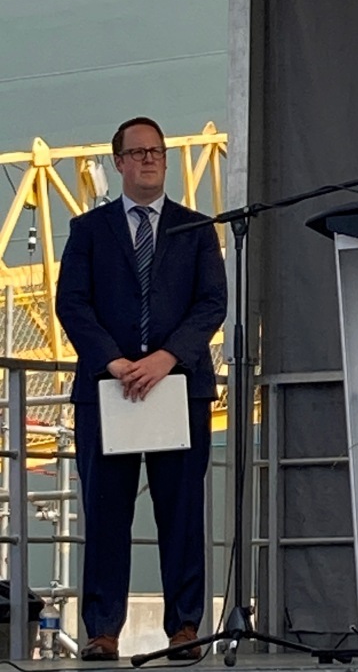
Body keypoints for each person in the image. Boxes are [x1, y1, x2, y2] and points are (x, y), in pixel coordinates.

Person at [56, 117, 227, 661]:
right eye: (139, 152)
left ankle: (185, 628)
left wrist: (165, 358)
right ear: (119, 162)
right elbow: (72, 303)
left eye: (157, 151)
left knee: (182, 514)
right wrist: (114, 361)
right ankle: (103, 631)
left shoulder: (196, 228)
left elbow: (212, 303)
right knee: (106, 513)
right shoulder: (88, 230)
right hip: (108, 390)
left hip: (178, 387)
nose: (150, 159)